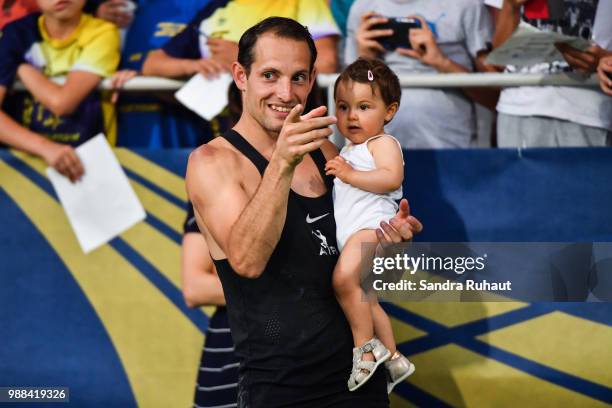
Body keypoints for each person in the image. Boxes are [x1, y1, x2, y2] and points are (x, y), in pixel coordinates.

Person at [186, 16, 422, 407]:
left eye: (298, 77)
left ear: (312, 81)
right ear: (241, 76)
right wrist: (281, 163)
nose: (286, 92)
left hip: (359, 379)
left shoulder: (327, 151)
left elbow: (365, 274)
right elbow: (246, 261)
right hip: (282, 389)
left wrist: (388, 244)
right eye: (270, 75)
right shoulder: (212, 162)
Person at [324, 57, 415, 393]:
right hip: (356, 232)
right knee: (366, 298)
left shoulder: (383, 144)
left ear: (389, 112)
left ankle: (365, 349)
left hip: (371, 228)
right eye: (343, 107)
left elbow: (392, 177)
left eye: (364, 106)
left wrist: (349, 174)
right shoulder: (350, 149)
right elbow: (330, 153)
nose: (352, 116)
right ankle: (393, 358)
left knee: (343, 280)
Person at [345, 0, 496, 148]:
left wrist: (441, 62)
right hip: (378, 152)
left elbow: (494, 96)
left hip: (451, 149)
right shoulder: (362, 7)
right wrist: (366, 61)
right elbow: (346, 96)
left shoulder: (468, 4)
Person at [0, 0, 120, 181]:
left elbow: (62, 103)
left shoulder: (103, 32)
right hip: (25, 169)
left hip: (92, 168)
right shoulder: (14, 34)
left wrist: (21, 68)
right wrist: (45, 148)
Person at [488, 0, 612, 147]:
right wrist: (511, 6)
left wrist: (604, 59)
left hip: (588, 112)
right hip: (517, 107)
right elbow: (497, 62)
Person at [182, 205, 240, 408]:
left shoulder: (328, 178)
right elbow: (195, 287)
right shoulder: (214, 175)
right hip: (230, 362)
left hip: (309, 364)